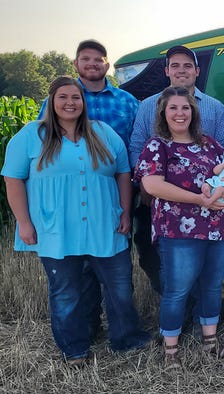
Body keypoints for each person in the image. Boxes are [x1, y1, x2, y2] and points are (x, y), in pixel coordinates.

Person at [2, 76, 150, 366]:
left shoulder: (103, 133)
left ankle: (126, 337)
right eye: (63, 98)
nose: (70, 103)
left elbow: (122, 172)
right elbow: (13, 179)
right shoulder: (32, 135)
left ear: (83, 102)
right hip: (56, 228)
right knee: (66, 292)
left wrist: (124, 211)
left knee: (119, 287)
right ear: (52, 101)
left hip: (104, 225)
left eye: (76, 98)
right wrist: (24, 222)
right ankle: (75, 348)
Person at [37, 39, 140, 339]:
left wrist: (130, 198)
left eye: (99, 60)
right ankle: (89, 326)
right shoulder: (57, 100)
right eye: (86, 59)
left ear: (107, 65)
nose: (93, 64)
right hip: (71, 196)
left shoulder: (127, 101)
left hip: (112, 192)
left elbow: (134, 148)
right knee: (78, 271)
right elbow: (42, 147)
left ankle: (121, 331)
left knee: (113, 264)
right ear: (76, 64)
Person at [134, 87, 224, 369]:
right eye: (174, 108)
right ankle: (171, 352)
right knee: (178, 290)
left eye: (185, 108)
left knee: (212, 287)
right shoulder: (157, 146)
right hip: (178, 230)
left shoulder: (210, 145)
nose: (180, 113)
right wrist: (199, 199)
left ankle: (210, 342)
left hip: (219, 228)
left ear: (194, 112)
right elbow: (152, 185)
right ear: (163, 113)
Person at [129, 45, 224, 294]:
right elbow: (136, 146)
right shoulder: (147, 107)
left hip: (207, 203)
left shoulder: (214, 107)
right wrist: (144, 185)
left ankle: (200, 318)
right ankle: (174, 313)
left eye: (188, 66)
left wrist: (219, 187)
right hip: (161, 204)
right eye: (175, 65)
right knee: (158, 263)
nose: (181, 71)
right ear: (166, 71)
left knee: (202, 267)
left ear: (197, 71)